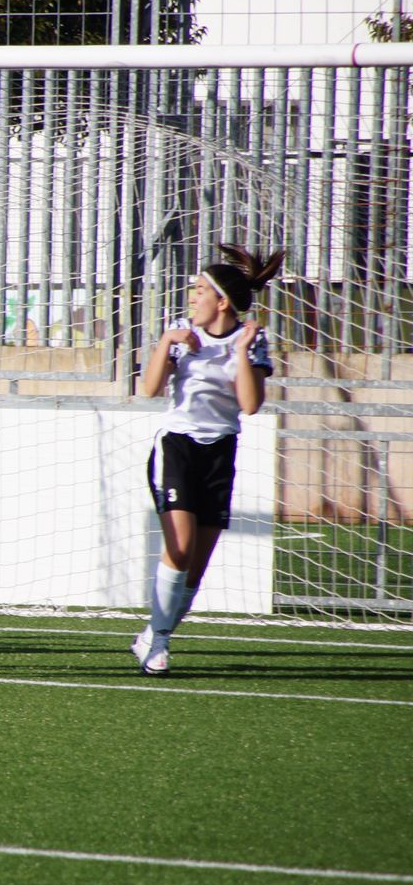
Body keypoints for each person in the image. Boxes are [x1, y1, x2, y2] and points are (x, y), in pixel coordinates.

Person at [132, 244, 282, 676]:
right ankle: (158, 643)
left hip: (220, 452)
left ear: (221, 301)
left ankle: (152, 635)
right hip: (177, 446)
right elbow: (149, 389)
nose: (192, 297)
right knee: (177, 548)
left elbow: (250, 406)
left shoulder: (250, 340)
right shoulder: (180, 331)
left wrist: (241, 353)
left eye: (200, 290)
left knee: (195, 567)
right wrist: (166, 342)